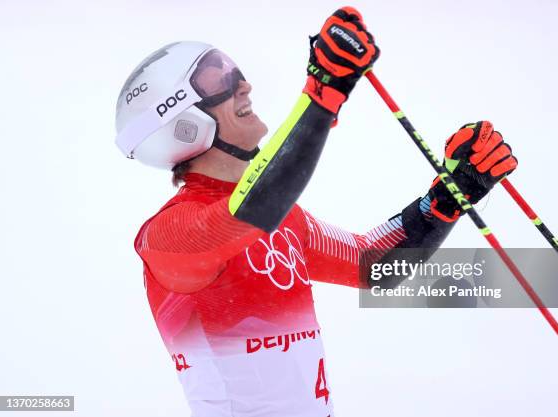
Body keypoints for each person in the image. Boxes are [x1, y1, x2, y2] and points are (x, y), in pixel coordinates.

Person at [114, 7, 517, 417]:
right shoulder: (167, 234)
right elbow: (253, 207)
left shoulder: (288, 219)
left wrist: (449, 198)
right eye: (220, 80)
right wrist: (322, 94)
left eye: (234, 71)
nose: (245, 85)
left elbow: (372, 263)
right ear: (184, 122)